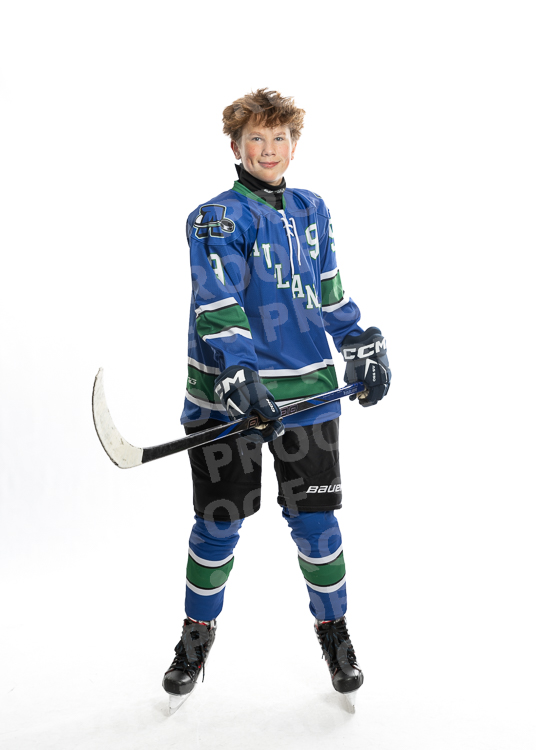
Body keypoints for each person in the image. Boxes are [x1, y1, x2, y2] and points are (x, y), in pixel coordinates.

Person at [162, 88, 391, 713]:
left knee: (317, 526)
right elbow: (218, 301)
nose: (269, 150)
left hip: (309, 395)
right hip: (227, 402)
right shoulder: (215, 218)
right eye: (256, 139)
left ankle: (334, 633)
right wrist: (239, 373)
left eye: (280, 138)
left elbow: (327, 290)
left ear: (294, 144)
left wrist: (359, 342)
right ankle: (195, 638)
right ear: (236, 147)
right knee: (219, 525)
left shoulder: (314, 209)